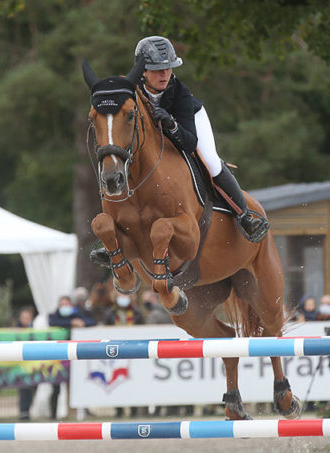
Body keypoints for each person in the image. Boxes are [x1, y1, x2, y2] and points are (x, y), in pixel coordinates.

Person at [90, 36, 269, 267]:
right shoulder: (131, 90)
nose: (164, 74)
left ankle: (244, 215)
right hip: (151, 143)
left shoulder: (181, 94)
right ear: (142, 71)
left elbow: (189, 142)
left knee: (212, 162)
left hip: (188, 126)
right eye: (157, 70)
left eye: (167, 68)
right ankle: (112, 239)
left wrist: (172, 125)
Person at [48, 296, 97, 419]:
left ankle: (79, 412)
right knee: (56, 387)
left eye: (67, 304)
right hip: (58, 357)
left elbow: (92, 321)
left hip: (74, 357)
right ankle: (53, 415)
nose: (65, 306)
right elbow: (52, 322)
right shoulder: (54, 316)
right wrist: (71, 323)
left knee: (77, 385)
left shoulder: (78, 313)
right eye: (63, 304)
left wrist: (82, 322)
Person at [16, 306, 40, 421]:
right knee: (23, 387)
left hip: (33, 364)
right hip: (20, 365)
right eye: (23, 317)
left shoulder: (37, 331)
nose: (25, 319)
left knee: (33, 387)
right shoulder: (15, 331)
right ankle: (23, 411)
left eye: (28, 317)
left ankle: (27, 410)